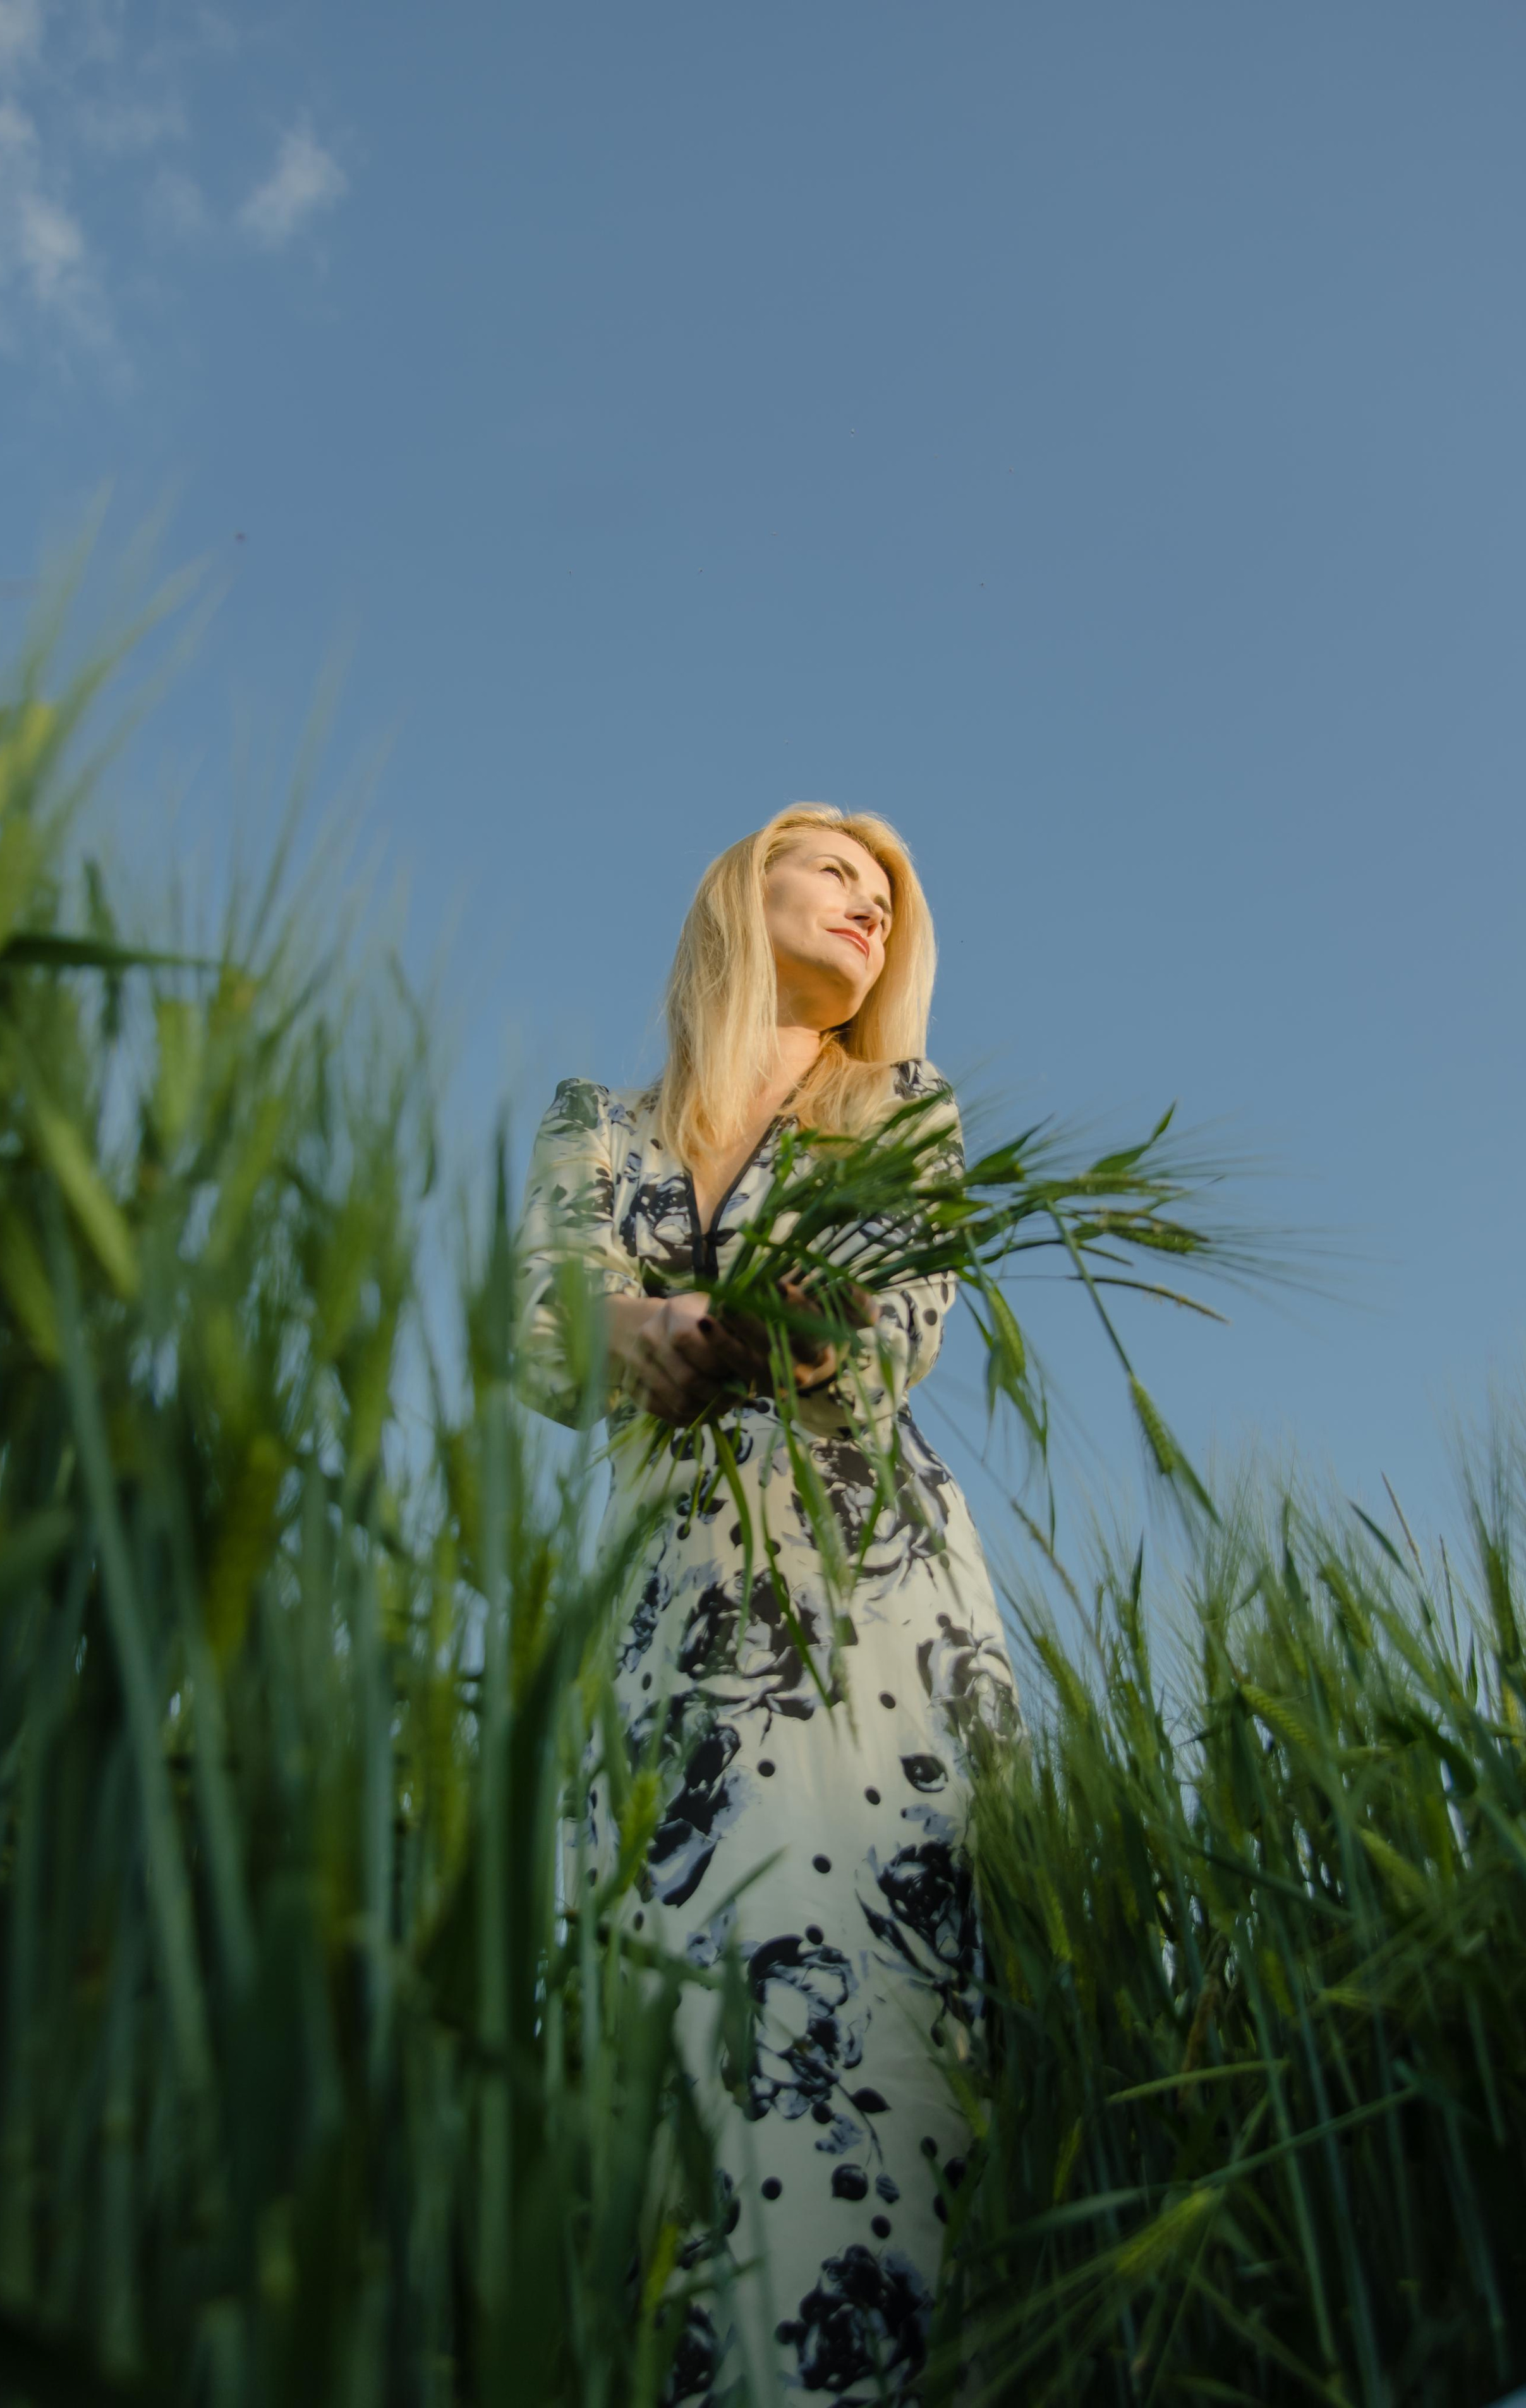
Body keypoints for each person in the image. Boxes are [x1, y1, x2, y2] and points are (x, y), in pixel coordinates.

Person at [515, 805, 1018, 2404]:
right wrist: (636, 1332)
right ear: (747, 887)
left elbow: (902, 1313)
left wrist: (786, 1337)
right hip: (666, 1599)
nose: (869, 906)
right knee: (668, 1990)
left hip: (859, 1587)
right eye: (837, 873)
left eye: (890, 900)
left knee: (874, 1978)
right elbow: (541, 1327)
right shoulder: (597, 1124)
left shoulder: (896, 1106)